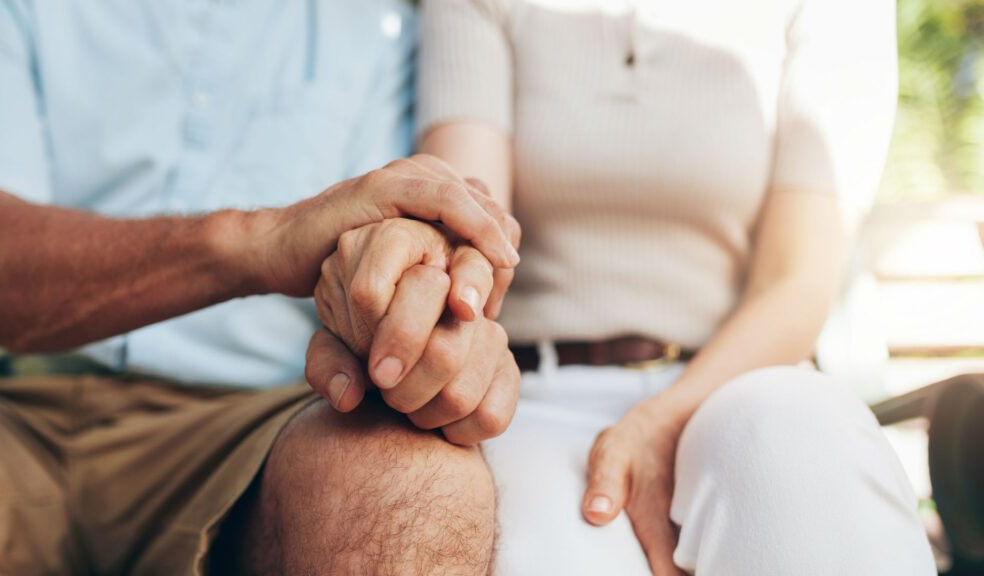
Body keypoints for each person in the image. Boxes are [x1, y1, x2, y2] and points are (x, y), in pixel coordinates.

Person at [310, 0, 938, 574]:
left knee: (807, 450)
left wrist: (660, 421)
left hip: (738, 382)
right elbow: (468, 216)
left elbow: (798, 283)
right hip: (528, 399)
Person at [0, 2, 520, 574]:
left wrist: (413, 295)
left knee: (412, 488)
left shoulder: (398, 25)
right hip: (10, 410)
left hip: (262, 419)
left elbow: (410, 233)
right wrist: (260, 241)